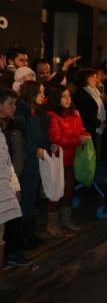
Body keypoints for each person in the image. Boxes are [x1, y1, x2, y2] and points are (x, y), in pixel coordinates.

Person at [46, 86, 90, 236]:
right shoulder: (52, 116)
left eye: (69, 96)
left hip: (73, 159)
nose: (67, 99)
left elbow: (81, 129)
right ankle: (52, 224)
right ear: (56, 99)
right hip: (59, 160)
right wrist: (78, 139)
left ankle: (66, 220)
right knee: (56, 192)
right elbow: (56, 138)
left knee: (69, 191)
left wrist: (85, 135)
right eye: (63, 96)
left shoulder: (75, 114)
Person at [14, 81, 51, 246]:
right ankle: (23, 238)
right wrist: (34, 150)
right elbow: (20, 141)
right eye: (41, 92)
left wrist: (49, 146)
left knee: (31, 200)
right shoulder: (21, 113)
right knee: (26, 200)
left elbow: (40, 137)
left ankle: (30, 234)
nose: (43, 95)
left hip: (36, 163)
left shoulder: (35, 112)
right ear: (32, 93)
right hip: (26, 164)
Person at [0, 88, 25, 268]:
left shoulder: (2, 132)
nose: (14, 107)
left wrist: (15, 186)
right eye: (11, 103)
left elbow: (7, 161)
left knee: (1, 236)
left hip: (4, 192)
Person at [72, 68, 106, 155]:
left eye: (96, 77)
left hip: (96, 127)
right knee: (91, 155)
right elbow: (85, 114)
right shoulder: (81, 93)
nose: (96, 79)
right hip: (88, 129)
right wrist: (99, 123)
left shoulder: (95, 91)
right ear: (85, 79)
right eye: (93, 77)